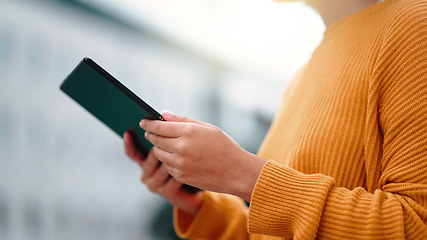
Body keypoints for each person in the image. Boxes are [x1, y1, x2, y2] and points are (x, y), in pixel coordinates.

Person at [124, 0, 427, 239]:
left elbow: (416, 227)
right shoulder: (301, 77)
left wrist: (243, 173)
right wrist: (199, 205)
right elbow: (278, 232)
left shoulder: (415, 26)